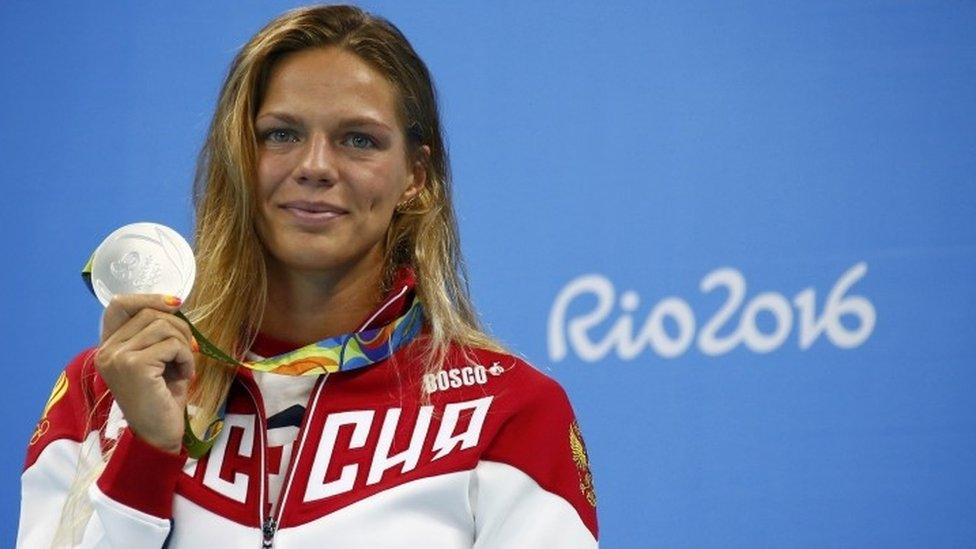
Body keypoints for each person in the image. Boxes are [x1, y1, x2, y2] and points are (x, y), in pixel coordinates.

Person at [18, 5, 598, 548]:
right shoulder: (105, 390)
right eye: (282, 134)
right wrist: (147, 448)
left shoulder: (507, 410)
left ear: (415, 176)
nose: (315, 166)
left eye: (359, 140)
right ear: (239, 156)